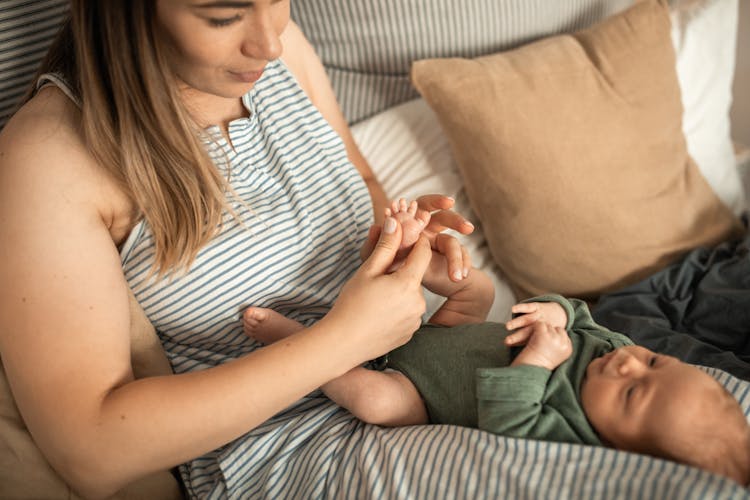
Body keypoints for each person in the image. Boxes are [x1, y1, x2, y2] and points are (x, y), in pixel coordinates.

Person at [0, 1, 478, 498]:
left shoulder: (282, 53)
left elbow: (358, 179)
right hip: (294, 450)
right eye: (223, 18)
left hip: (421, 380)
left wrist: (396, 244)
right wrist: (344, 341)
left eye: (275, 0)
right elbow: (91, 451)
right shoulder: (49, 157)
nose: (268, 44)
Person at [247, 289, 750, 485]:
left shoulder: (571, 430)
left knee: (374, 402)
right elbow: (583, 318)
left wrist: (536, 361)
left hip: (418, 389)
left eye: (633, 394)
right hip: (446, 334)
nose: (629, 365)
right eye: (655, 361)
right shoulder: (611, 353)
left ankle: (298, 343)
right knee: (478, 287)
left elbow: (510, 423)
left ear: (619, 449)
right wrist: (558, 311)